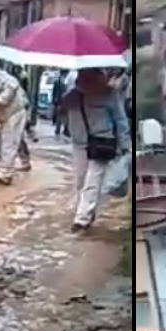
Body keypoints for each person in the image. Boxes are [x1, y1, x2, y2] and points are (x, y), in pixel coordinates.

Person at [62, 68, 131, 231]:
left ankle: (82, 219)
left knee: (92, 181)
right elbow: (65, 113)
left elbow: (120, 121)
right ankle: (87, 212)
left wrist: (124, 145)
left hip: (102, 142)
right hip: (79, 144)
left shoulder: (109, 94)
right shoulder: (71, 96)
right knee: (80, 181)